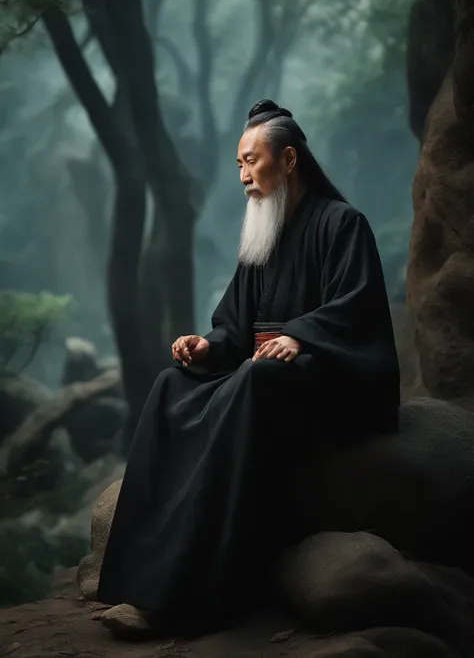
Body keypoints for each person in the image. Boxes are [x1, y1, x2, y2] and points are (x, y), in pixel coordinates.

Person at [97, 99, 400, 636]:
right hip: (267, 373)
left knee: (258, 377)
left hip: (328, 379)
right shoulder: (262, 233)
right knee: (171, 385)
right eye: (238, 164)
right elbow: (235, 329)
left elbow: (357, 312)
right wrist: (206, 347)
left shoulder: (342, 224)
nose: (243, 176)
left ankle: (181, 598)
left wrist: (301, 338)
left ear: (288, 160)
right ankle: (132, 579)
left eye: (250, 161)